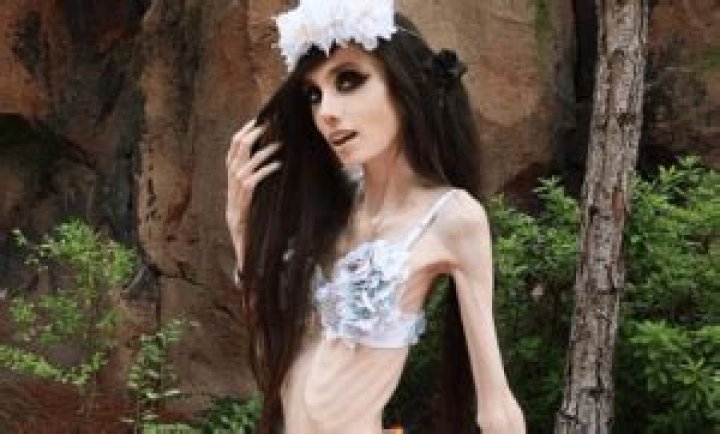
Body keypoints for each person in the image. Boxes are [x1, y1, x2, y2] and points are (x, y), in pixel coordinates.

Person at [225, 1, 525, 433]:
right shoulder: (330, 209)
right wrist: (242, 230)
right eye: (314, 94)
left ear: (404, 85)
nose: (326, 112)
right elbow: (274, 363)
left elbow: (495, 406)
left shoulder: (452, 218)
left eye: (348, 80)